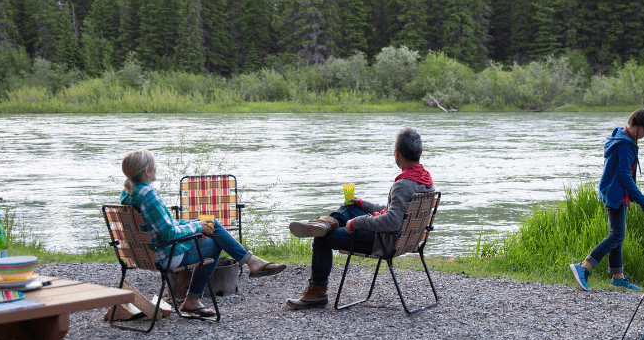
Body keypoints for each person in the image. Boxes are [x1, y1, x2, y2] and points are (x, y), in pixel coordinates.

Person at [121, 149, 285, 317]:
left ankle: (251, 261)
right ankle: (195, 297)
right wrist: (197, 227)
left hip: (142, 255)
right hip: (164, 256)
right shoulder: (149, 194)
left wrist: (195, 223)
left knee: (211, 221)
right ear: (147, 171)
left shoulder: (129, 193)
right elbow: (169, 232)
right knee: (215, 244)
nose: (157, 168)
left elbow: (162, 225)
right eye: (155, 166)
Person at [285, 128, 435, 309]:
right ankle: (325, 223)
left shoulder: (403, 185)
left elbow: (392, 222)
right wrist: (363, 204)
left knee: (322, 239)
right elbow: (394, 212)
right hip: (404, 240)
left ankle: (317, 292)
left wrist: (357, 223)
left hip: (383, 242)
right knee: (351, 207)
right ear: (420, 152)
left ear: (396, 153)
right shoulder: (426, 181)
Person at [570, 108, 644, 292]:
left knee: (617, 234)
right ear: (639, 126)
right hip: (616, 193)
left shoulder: (620, 135)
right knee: (616, 235)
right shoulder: (626, 145)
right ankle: (584, 266)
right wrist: (642, 200)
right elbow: (625, 176)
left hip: (614, 191)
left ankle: (618, 277)